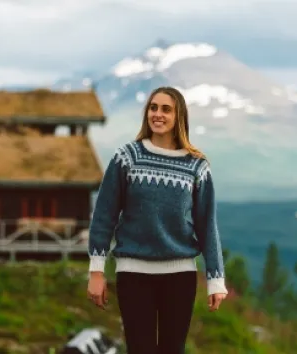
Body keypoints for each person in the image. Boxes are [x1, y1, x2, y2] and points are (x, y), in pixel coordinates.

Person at [86, 86, 228, 354]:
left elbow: (207, 225)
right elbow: (104, 215)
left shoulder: (197, 166)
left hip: (180, 274)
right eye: (153, 108)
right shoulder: (127, 157)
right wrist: (96, 271)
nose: (158, 114)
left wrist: (215, 279)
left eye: (166, 109)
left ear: (179, 117)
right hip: (133, 272)